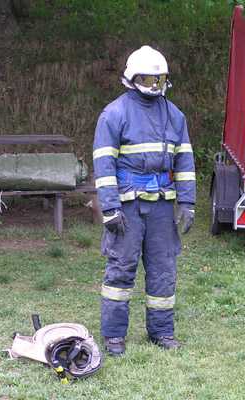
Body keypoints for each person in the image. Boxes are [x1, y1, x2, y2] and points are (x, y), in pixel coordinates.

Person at [92, 45, 196, 356]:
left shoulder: (174, 115)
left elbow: (185, 161)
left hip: (162, 205)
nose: (154, 85)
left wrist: (187, 202)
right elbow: (103, 164)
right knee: (121, 268)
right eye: (148, 79)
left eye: (159, 79)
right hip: (127, 206)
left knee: (164, 269)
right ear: (132, 78)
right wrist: (110, 208)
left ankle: (162, 332)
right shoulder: (114, 114)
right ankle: (113, 336)